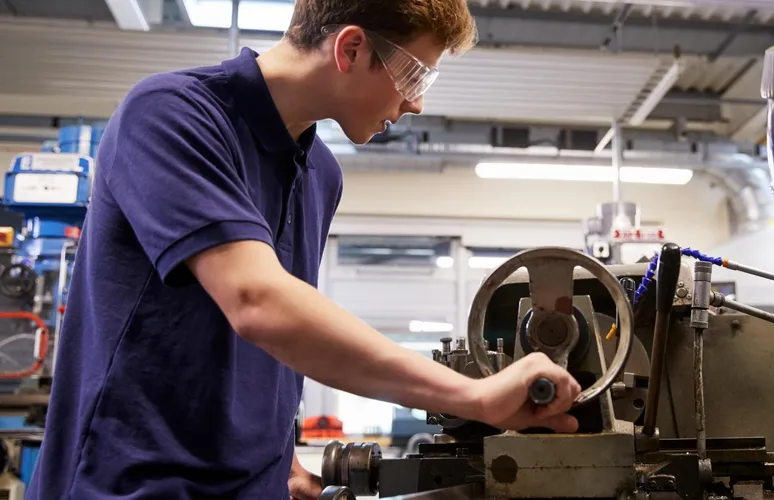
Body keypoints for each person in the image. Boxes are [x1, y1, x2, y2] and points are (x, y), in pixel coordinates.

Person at [25, 0, 582, 498]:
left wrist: (277, 452)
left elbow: (281, 337)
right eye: (414, 73)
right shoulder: (171, 114)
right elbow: (257, 302)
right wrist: (473, 395)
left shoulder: (320, 173)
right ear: (352, 47)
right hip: (131, 481)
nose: (414, 103)